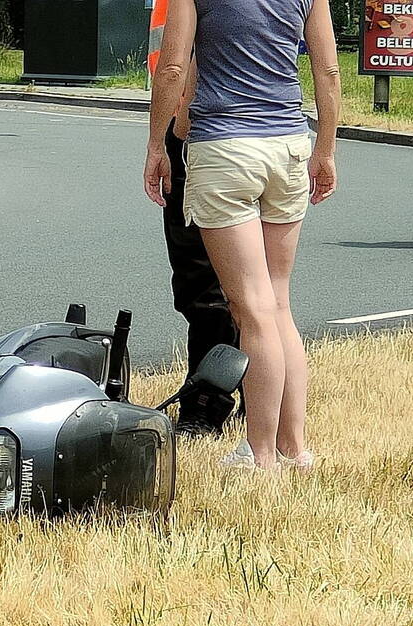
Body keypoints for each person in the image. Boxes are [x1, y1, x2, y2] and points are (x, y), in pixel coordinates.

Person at [143, 0, 341, 469]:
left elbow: (172, 66)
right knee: (277, 303)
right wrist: (326, 151)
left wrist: (156, 144)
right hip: (289, 146)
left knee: (251, 311)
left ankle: (260, 452)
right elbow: (328, 71)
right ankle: (295, 447)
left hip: (226, 149)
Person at [162, 61, 239, 438]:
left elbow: (175, 67)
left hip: (208, 133)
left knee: (203, 287)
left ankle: (206, 404)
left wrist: (165, 139)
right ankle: (260, 398)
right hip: (275, 134)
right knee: (262, 293)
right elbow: (328, 70)